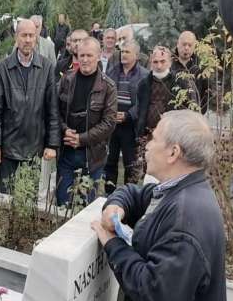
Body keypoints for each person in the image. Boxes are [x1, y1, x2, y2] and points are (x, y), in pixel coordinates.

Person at [91, 110, 226, 301]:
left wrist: (112, 243)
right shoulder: (180, 190)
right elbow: (136, 194)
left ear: (173, 152)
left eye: (154, 138)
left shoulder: (186, 217)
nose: (147, 145)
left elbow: (155, 292)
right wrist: (117, 206)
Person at [0, 18, 60, 193]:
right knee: (5, 197)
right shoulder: (3, 68)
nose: (28, 40)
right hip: (8, 146)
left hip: (34, 145)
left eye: (31, 35)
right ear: (16, 37)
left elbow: (52, 108)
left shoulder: (46, 67)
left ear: (37, 37)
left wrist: (52, 144)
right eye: (24, 35)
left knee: (28, 198)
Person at [56, 37, 117, 205]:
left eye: (89, 55)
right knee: (62, 205)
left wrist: (81, 139)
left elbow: (109, 123)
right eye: (81, 55)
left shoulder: (108, 87)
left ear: (98, 56)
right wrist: (63, 129)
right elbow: (55, 111)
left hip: (93, 156)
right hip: (66, 154)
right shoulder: (66, 80)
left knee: (89, 209)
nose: (85, 59)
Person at [105, 41, 149, 192]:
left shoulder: (144, 75)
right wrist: (110, 113)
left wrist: (128, 115)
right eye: (122, 51)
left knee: (130, 164)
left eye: (127, 52)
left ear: (136, 56)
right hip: (112, 125)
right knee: (110, 161)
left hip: (131, 126)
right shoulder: (112, 71)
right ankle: (109, 194)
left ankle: (128, 195)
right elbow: (105, 95)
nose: (123, 54)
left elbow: (144, 101)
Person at [136, 46, 199, 139]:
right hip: (147, 135)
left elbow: (192, 110)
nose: (159, 66)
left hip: (172, 136)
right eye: (155, 62)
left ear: (170, 62)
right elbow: (139, 110)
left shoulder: (181, 82)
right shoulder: (143, 84)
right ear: (151, 63)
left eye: (162, 61)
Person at [172, 30, 209, 113]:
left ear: (194, 47)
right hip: (173, 114)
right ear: (178, 44)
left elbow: (206, 93)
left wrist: (200, 112)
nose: (186, 48)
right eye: (184, 44)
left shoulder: (200, 67)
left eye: (190, 45)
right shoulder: (169, 64)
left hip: (194, 115)